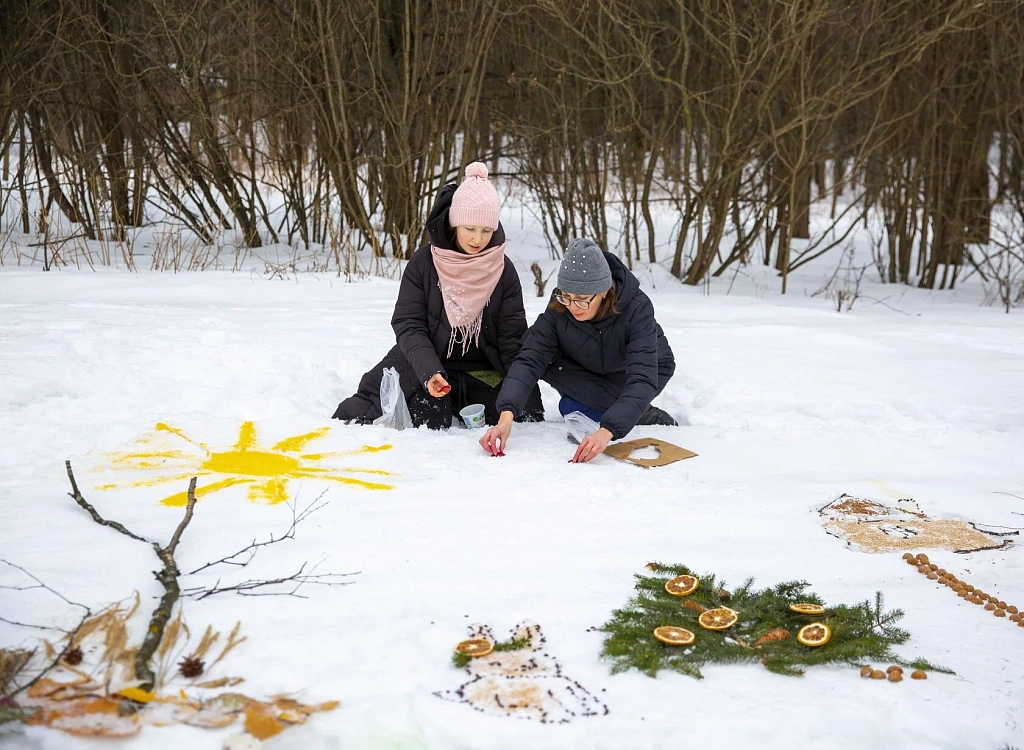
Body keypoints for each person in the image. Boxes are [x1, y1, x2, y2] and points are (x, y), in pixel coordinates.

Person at [332, 162, 544, 429]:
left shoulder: (503, 269)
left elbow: (512, 339)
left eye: (486, 231)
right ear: (455, 223)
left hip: (483, 371)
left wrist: (516, 395)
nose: (478, 239)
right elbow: (409, 324)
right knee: (431, 420)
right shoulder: (424, 262)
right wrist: (429, 371)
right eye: (470, 228)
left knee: (525, 414)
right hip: (430, 364)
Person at [480, 237, 677, 462]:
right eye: (567, 297)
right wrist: (505, 418)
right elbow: (530, 358)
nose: (573, 306)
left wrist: (606, 432)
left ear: (604, 291)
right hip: (591, 362)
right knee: (563, 394)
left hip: (644, 369)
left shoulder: (638, 308)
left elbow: (642, 378)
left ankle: (643, 413)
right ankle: (614, 406)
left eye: (582, 299)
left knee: (612, 403)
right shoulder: (561, 305)